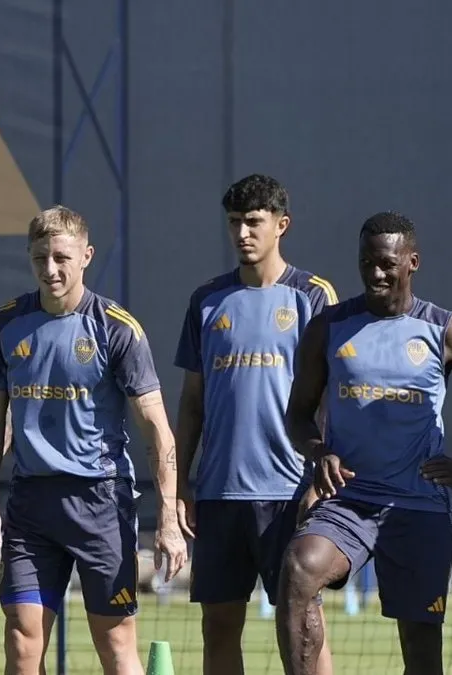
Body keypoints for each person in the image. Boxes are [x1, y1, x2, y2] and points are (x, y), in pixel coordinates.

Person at [278, 212, 452, 675]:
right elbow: (297, 415)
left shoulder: (445, 331)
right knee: (299, 567)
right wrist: (318, 451)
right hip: (349, 500)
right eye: (366, 262)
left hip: (418, 506)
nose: (375, 273)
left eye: (387, 264)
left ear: (412, 262)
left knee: (421, 649)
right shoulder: (328, 327)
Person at [0, 206, 187, 675]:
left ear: (86, 256)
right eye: (40, 258)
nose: (50, 269)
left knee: (115, 643)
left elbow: (157, 429)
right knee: (21, 640)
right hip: (31, 504)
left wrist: (168, 518)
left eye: (61, 258)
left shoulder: (117, 328)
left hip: (100, 503)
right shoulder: (7, 323)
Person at [173, 174, 337, 675]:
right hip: (220, 493)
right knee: (218, 626)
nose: (242, 233)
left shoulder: (312, 295)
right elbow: (192, 403)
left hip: (290, 492)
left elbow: (334, 396)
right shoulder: (207, 300)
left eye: (253, 222)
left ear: (281, 225)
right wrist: (181, 484)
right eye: (234, 223)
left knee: (302, 626)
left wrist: (320, 480)